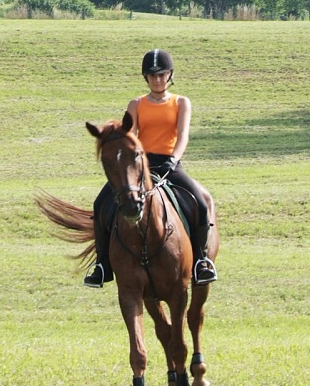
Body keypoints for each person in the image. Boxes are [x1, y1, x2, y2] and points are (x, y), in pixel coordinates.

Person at [84, 49, 217, 288]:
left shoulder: (181, 102)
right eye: (152, 75)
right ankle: (101, 264)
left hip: (170, 163)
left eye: (162, 74)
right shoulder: (136, 104)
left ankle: (201, 260)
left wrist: (174, 159)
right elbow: (130, 136)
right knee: (100, 203)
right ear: (146, 77)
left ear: (170, 75)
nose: (158, 79)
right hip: (139, 165)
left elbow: (183, 136)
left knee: (200, 201)